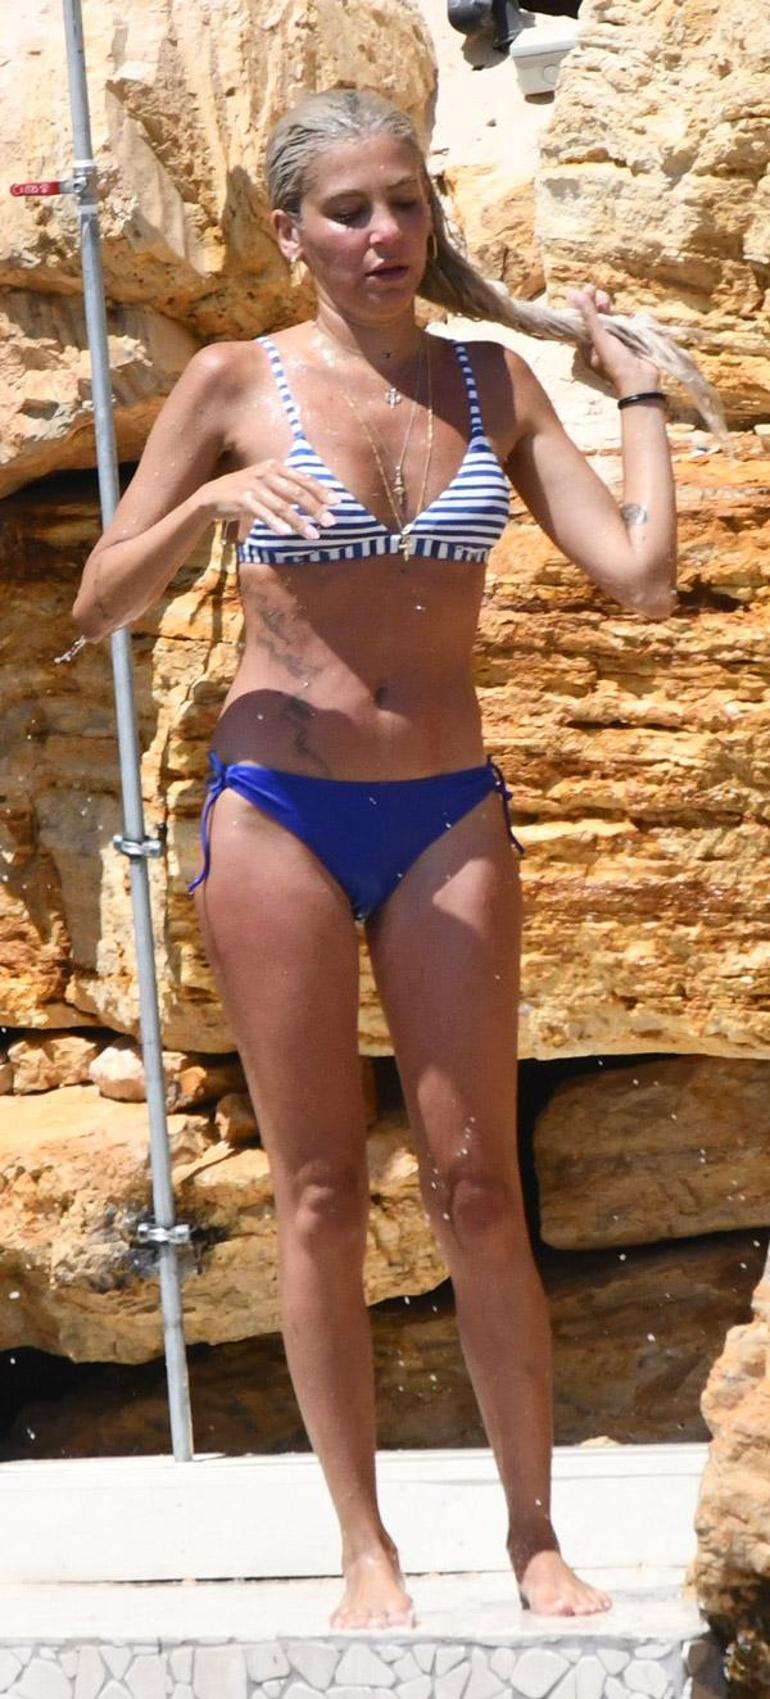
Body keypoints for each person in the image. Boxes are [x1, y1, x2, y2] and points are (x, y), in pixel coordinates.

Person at [73, 87, 679, 1626]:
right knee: (321, 1191)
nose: (383, 233)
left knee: (478, 1184)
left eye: (404, 202)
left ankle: (533, 1536)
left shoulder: (491, 385)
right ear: (292, 233)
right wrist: (211, 498)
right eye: (348, 211)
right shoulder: (233, 381)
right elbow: (98, 604)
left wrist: (634, 399)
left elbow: (638, 579)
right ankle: (364, 1549)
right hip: (278, 810)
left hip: (445, 813)